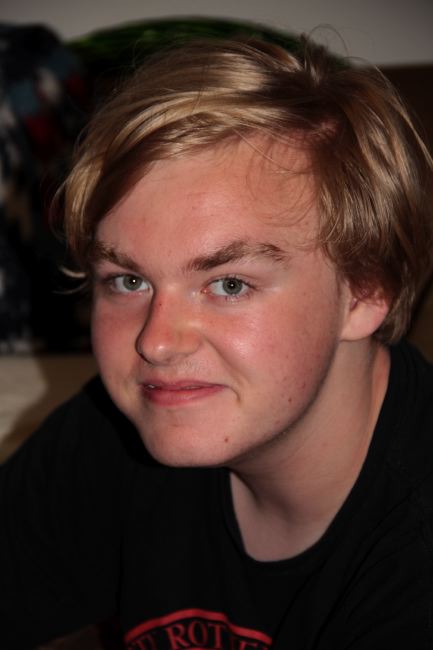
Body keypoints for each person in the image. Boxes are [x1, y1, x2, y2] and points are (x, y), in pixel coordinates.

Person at [1, 34, 433, 650]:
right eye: (128, 280)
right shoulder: (115, 433)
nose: (157, 343)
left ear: (365, 293)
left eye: (228, 284)